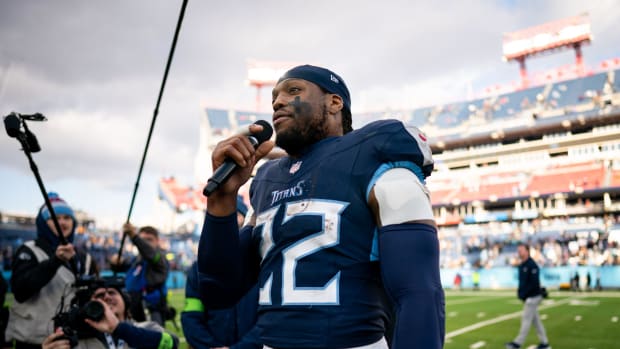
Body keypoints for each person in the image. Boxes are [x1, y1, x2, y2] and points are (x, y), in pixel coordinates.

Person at [197, 65, 444, 349]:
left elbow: (419, 293)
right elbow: (220, 290)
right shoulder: (266, 179)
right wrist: (221, 200)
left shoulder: (372, 156)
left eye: (293, 90)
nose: (277, 102)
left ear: (334, 102)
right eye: (274, 97)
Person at [6, 193, 99, 349]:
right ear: (43, 223)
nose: (62, 222)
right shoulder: (29, 250)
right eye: (55, 218)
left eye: (67, 218)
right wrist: (55, 261)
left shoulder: (84, 257)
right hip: (34, 340)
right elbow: (21, 290)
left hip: (74, 340)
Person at [182, 197, 261, 349]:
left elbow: (269, 321)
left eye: (235, 216)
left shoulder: (263, 266)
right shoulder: (197, 270)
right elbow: (191, 317)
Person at [41, 277, 178, 349]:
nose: (107, 297)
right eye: (99, 296)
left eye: (112, 292)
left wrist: (119, 329)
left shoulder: (147, 328)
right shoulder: (78, 340)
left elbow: (173, 343)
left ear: (125, 302)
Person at [110, 224, 170, 326]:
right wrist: (115, 262)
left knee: (153, 338)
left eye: (149, 239)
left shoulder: (160, 259)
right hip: (132, 308)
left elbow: (150, 253)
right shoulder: (136, 260)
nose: (145, 243)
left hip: (151, 309)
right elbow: (119, 267)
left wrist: (135, 237)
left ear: (157, 241)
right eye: (143, 240)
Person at [505, 243, 549, 349]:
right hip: (528, 297)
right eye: (518, 250)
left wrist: (524, 294)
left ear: (527, 251)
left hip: (533, 297)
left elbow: (534, 284)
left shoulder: (531, 265)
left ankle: (518, 343)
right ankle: (545, 343)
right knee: (536, 321)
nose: (519, 252)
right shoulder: (522, 265)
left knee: (526, 319)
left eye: (521, 250)